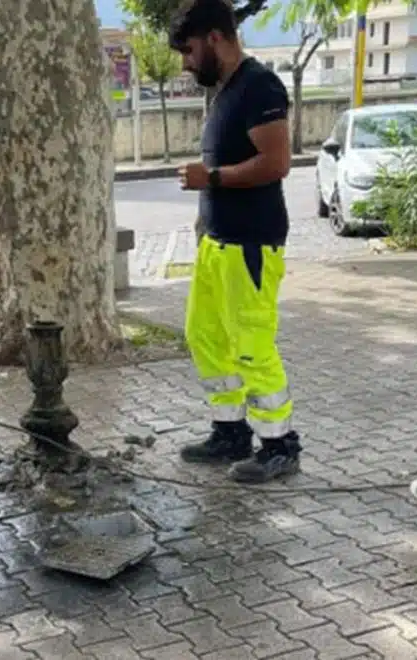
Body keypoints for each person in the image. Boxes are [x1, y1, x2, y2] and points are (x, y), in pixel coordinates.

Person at [169, 0, 301, 483]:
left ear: (215, 37)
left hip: (250, 243)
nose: (185, 62)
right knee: (204, 336)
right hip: (217, 243)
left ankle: (280, 444)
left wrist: (214, 178)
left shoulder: (259, 86)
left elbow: (277, 162)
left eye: (188, 49)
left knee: (252, 344)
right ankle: (231, 431)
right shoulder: (226, 91)